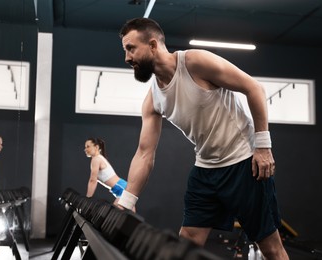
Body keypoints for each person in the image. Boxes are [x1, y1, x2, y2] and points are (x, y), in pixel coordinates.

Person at [117, 17, 289, 259]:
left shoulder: (194, 62)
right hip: (206, 170)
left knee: (270, 247)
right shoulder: (153, 99)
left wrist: (262, 146)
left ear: (153, 45)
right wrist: (127, 199)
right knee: (186, 242)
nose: (127, 58)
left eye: (130, 48)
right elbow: (144, 153)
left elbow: (254, 88)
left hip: (244, 163)